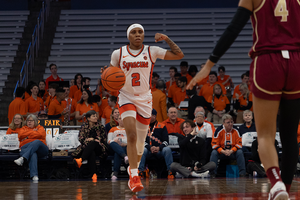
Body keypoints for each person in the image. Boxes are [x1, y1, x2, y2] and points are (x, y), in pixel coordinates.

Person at [187, 0, 300, 196]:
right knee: (290, 137)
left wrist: (209, 64)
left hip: (268, 60)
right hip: (297, 61)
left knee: (265, 135)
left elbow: (233, 28)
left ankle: (276, 183)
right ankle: (286, 190)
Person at [108, 23, 184, 192]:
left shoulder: (152, 51)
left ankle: (132, 167)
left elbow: (179, 54)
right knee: (132, 135)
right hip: (126, 97)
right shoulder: (118, 53)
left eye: (140, 32)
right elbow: (111, 77)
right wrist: (106, 76)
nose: (137, 34)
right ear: (128, 36)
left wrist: (166, 39)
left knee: (141, 143)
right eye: (134, 32)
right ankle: (134, 175)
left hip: (145, 99)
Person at [72, 110, 108, 181]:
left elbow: (104, 138)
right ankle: (94, 174)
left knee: (94, 143)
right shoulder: (84, 127)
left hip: (99, 148)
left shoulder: (100, 126)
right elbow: (81, 138)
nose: (95, 117)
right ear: (88, 118)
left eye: (96, 116)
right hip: (87, 147)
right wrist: (88, 141)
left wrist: (93, 139)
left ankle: (81, 160)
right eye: (93, 116)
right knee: (91, 152)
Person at [138, 109, 174, 179]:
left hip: (160, 150)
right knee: (142, 149)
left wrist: (159, 148)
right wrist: (150, 147)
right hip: (148, 150)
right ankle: (141, 171)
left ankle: (170, 171)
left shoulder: (162, 126)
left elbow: (166, 141)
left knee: (167, 149)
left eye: (150, 115)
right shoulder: (143, 126)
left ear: (154, 116)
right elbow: (141, 141)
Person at [13, 114, 49, 181]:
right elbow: (20, 136)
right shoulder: (23, 128)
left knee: (37, 142)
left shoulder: (40, 128)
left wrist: (27, 136)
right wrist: (34, 133)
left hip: (41, 149)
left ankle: (23, 158)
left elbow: (41, 134)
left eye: (31, 120)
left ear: (35, 121)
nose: (29, 122)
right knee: (33, 153)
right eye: (28, 121)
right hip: (25, 147)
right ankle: (34, 176)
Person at [108, 115, 128, 180]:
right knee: (113, 143)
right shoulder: (112, 129)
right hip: (114, 146)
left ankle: (115, 173)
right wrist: (114, 141)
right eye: (120, 118)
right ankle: (125, 156)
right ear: (117, 120)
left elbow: (132, 140)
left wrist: (125, 144)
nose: (121, 120)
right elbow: (109, 140)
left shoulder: (129, 129)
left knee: (117, 153)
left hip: (125, 147)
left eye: (123, 119)